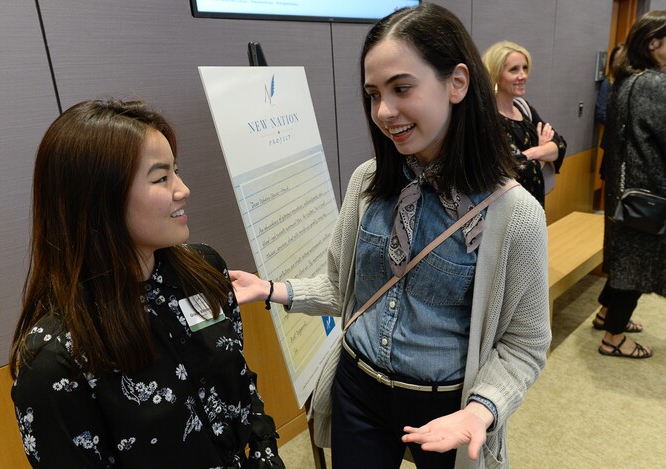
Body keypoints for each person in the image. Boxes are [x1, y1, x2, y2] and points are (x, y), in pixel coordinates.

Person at [230, 4, 551, 468]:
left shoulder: (513, 213)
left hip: (448, 409)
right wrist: (274, 290)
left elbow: (525, 343)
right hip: (358, 390)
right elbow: (345, 288)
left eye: (402, 88)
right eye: (373, 93)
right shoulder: (368, 182)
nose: (383, 111)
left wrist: (482, 411)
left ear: (457, 83)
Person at [9, 99, 285, 468]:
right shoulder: (56, 361)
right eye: (161, 178)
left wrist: (264, 448)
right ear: (99, 199)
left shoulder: (202, 271)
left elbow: (236, 373)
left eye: (177, 170)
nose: (183, 189)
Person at [596, 10, 666, 359]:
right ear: (654, 44)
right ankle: (613, 338)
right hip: (649, 192)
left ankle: (606, 313)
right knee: (635, 267)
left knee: (626, 259)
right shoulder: (655, 84)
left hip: (627, 191)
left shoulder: (628, 79)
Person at [482, 41, 567, 207]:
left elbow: (560, 144)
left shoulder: (523, 107)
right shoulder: (488, 118)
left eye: (525, 68)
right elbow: (516, 172)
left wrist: (533, 152)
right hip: (505, 210)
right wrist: (541, 153)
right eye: (514, 69)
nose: (523, 76)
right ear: (495, 73)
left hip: (534, 205)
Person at [595, 42, 625, 179]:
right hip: (613, 142)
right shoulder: (608, 83)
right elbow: (601, 113)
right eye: (617, 60)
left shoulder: (633, 84)